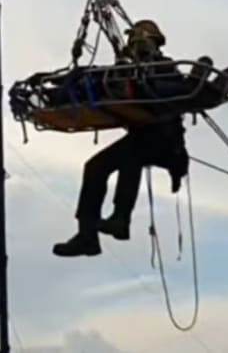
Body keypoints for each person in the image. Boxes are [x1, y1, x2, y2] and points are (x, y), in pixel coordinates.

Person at [52, 19, 190, 257]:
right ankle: (88, 234)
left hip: (165, 140)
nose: (136, 49)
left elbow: (170, 91)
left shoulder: (164, 68)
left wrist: (143, 72)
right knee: (96, 167)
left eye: (139, 43)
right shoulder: (129, 70)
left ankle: (120, 219)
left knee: (131, 158)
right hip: (144, 136)